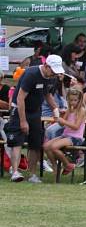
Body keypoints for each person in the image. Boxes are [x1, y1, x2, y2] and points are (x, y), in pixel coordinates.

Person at [5, 54, 64, 183]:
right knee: (17, 141)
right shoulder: (31, 74)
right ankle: (15, 172)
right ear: (46, 66)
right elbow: (20, 98)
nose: (55, 74)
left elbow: (47, 94)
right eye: (53, 70)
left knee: (35, 143)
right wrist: (23, 120)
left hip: (35, 111)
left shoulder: (51, 78)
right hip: (19, 109)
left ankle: (31, 174)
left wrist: (55, 111)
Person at [43, 87, 86, 177]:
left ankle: (67, 164)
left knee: (54, 147)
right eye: (71, 100)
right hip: (66, 135)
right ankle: (55, 167)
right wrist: (57, 118)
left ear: (80, 100)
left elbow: (76, 127)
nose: (73, 102)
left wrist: (64, 121)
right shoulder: (69, 109)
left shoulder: (82, 110)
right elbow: (62, 124)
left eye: (75, 100)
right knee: (46, 146)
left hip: (75, 137)